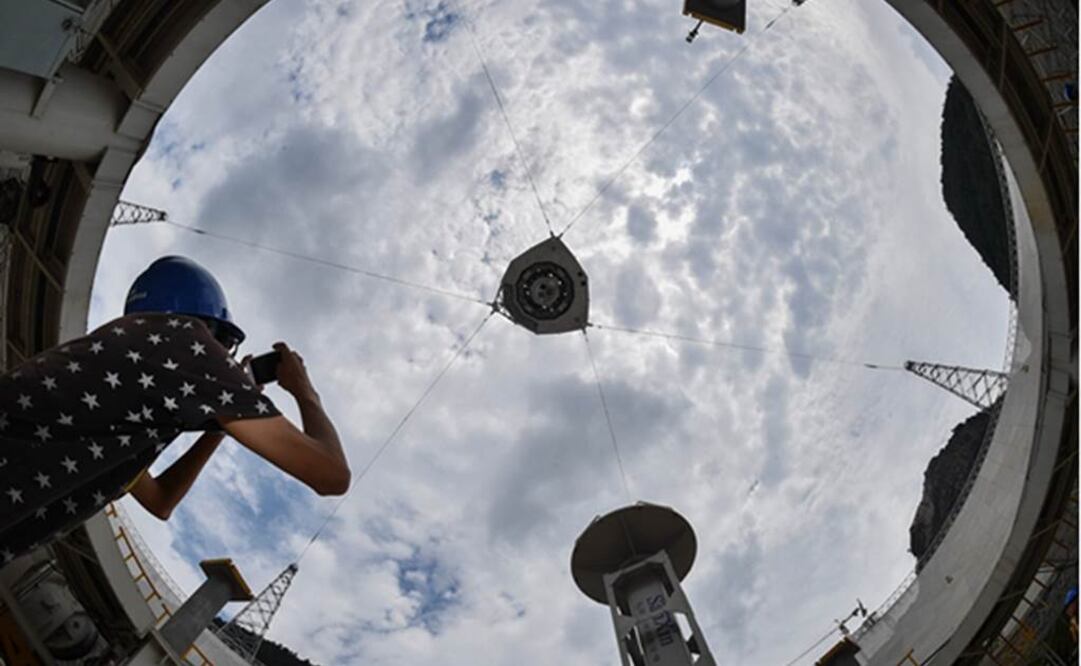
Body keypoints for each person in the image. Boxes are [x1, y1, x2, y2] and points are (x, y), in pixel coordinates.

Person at [0, 256, 350, 563]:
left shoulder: (119, 365)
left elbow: (160, 501)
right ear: (208, 323)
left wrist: (224, 421)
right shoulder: (184, 339)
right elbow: (331, 475)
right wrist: (305, 392)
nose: (225, 356)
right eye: (225, 344)